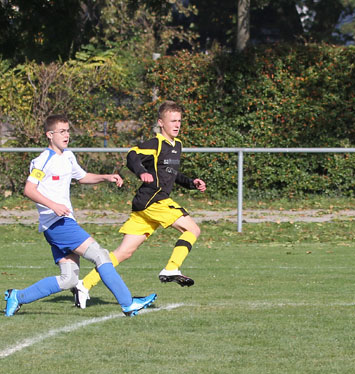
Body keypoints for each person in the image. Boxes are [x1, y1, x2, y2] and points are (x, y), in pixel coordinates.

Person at [4, 114, 156, 317]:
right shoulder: (43, 160)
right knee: (100, 255)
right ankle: (128, 303)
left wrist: (105, 177)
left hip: (61, 223)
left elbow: (82, 177)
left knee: (69, 279)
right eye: (61, 132)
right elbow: (29, 190)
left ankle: (17, 296)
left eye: (68, 131)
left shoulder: (68, 156)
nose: (66, 135)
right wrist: (53, 205)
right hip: (57, 223)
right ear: (50, 135)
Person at [73, 101, 206, 309]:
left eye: (179, 121)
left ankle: (84, 284)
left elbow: (171, 173)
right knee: (193, 230)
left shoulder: (177, 145)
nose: (177, 124)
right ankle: (172, 268)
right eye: (172, 121)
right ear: (161, 122)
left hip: (145, 204)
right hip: (155, 200)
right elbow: (132, 155)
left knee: (123, 253)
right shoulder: (156, 143)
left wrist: (191, 183)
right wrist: (141, 172)